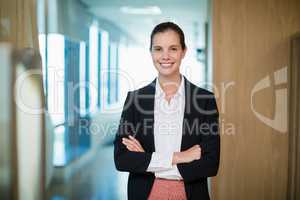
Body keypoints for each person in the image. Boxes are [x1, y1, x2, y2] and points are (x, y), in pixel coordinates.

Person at [114, 22, 220, 200]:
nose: (165, 56)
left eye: (173, 48)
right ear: (151, 52)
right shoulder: (135, 100)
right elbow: (122, 159)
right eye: (158, 49)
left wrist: (148, 159)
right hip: (145, 193)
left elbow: (210, 164)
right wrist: (180, 157)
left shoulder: (204, 100)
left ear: (183, 51)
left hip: (190, 194)